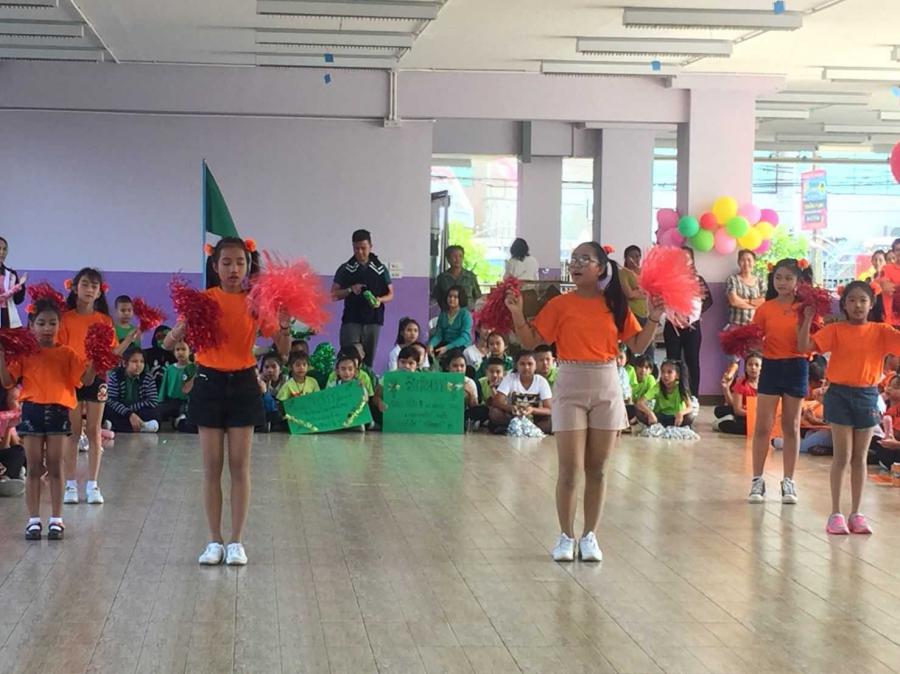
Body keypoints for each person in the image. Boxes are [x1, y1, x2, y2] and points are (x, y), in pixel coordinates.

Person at [506, 241, 663, 562]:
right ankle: (566, 536)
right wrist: (517, 314)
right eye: (573, 259)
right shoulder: (560, 305)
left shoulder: (615, 305)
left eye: (584, 259)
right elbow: (532, 340)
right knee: (569, 469)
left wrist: (654, 318)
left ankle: (590, 535)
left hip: (606, 385)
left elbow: (637, 346)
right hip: (570, 385)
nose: (576, 264)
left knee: (599, 470)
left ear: (601, 268)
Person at [164, 236, 290, 566]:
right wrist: (182, 327)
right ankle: (213, 541)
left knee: (239, 466)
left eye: (240, 262)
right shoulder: (204, 301)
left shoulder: (255, 302)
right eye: (227, 262)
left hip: (245, 384)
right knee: (211, 467)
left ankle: (236, 541)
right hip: (208, 383)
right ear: (215, 266)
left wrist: (285, 325)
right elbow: (167, 343)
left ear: (248, 266)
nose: (234, 268)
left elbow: (283, 350)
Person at [798, 281, 900, 535]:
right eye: (852, 300)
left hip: (867, 395)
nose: (857, 305)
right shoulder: (835, 330)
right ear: (844, 304)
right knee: (842, 456)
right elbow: (804, 347)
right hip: (839, 395)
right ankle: (836, 513)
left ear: (871, 304)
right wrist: (807, 319)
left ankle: (856, 513)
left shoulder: (881, 330)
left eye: (863, 300)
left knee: (859, 458)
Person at [0, 299, 96, 540]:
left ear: (59, 325)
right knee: (33, 467)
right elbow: (7, 381)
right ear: (31, 325)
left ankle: (56, 519)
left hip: (58, 413)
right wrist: (1, 356)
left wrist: (97, 359)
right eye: (41, 323)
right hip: (31, 412)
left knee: (55, 466)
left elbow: (86, 381)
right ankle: (33, 520)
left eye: (52, 323)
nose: (47, 328)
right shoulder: (25, 354)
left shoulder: (68, 354)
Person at [59, 267, 137, 506]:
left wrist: (128, 341)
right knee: (73, 433)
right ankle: (70, 485)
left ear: (99, 292)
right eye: (85, 284)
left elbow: (111, 354)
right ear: (75, 287)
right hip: (71, 379)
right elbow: (61, 351)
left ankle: (93, 484)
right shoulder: (66, 318)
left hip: (98, 377)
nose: (89, 289)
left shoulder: (104, 320)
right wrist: (79, 374)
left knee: (94, 431)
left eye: (94, 286)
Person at [747, 258, 813, 505]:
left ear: (798, 281)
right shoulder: (765, 308)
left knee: (791, 426)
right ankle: (757, 479)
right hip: (771, 366)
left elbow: (806, 343)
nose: (782, 282)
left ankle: (789, 481)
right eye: (778, 277)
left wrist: (808, 318)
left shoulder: (806, 308)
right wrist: (749, 342)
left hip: (797, 366)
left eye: (788, 278)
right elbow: (755, 339)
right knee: (763, 426)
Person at [330, 229, 394, 368]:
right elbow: (333, 295)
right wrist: (349, 289)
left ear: (371, 247)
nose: (360, 252)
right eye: (356, 248)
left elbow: (391, 294)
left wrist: (380, 300)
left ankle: (366, 381)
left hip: (373, 320)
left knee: (368, 361)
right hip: (351, 319)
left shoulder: (380, 269)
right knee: (349, 357)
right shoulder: (345, 269)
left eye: (363, 248)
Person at [663, 247, 712, 401]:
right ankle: (672, 398)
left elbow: (708, 301)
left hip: (692, 328)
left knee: (692, 363)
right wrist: (674, 316)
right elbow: (663, 301)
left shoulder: (698, 280)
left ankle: (693, 398)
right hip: (672, 327)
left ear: (692, 261)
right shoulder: (668, 279)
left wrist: (691, 317)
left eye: (687, 258)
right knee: (672, 362)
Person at [722, 249, 766, 381]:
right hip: (736, 328)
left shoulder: (760, 281)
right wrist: (753, 303)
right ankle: (730, 392)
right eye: (743, 260)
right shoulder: (733, 279)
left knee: (754, 363)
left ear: (754, 262)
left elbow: (764, 301)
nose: (746, 263)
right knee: (733, 363)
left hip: (755, 329)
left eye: (749, 260)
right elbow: (733, 300)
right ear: (738, 262)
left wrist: (744, 301)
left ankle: (752, 391)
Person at [489, 350, 553, 435]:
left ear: (535, 366)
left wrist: (532, 410)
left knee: (552, 420)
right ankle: (516, 427)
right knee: (494, 412)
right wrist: (511, 408)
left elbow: (549, 409)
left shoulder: (541, 381)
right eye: (522, 364)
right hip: (512, 417)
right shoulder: (510, 378)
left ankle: (513, 429)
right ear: (517, 365)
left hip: (534, 419)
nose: (526, 367)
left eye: (530, 364)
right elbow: (496, 402)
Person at [104, 346, 160, 433]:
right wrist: (129, 413)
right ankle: (142, 427)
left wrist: (132, 409)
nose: (139, 365)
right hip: (122, 411)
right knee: (107, 409)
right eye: (134, 361)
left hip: (138, 410)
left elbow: (153, 401)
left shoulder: (148, 378)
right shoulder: (115, 376)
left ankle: (116, 426)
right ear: (125, 363)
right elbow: (111, 401)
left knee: (154, 412)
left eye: (142, 362)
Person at [618, 245, 654, 364]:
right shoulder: (623, 272)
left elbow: (650, 291)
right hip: (632, 314)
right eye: (632, 256)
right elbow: (629, 294)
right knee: (633, 349)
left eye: (638, 256)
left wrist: (638, 292)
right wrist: (641, 292)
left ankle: (649, 372)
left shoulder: (644, 272)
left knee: (648, 347)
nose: (635, 259)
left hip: (646, 314)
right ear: (626, 258)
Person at [635, 360, 694, 428]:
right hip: (659, 418)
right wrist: (650, 413)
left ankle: (675, 425)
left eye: (669, 372)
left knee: (690, 416)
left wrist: (681, 413)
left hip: (676, 418)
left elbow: (690, 407)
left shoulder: (681, 387)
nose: (665, 375)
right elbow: (640, 403)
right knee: (638, 411)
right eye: (663, 372)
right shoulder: (658, 386)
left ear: (677, 375)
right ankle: (655, 424)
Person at [714, 352, 761, 435]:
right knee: (720, 413)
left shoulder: (766, 385)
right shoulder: (741, 384)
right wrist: (752, 414)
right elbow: (738, 410)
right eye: (750, 365)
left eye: (757, 365)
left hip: (761, 416)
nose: (753, 368)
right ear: (745, 368)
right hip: (744, 415)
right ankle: (728, 420)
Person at [432, 245, 481, 312]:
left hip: (467, 314)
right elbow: (437, 298)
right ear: (448, 259)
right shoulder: (442, 278)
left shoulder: (471, 277)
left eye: (460, 256)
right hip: (448, 314)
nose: (458, 259)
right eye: (454, 256)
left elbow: (477, 296)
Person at [157, 340, 196, 426]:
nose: (180, 352)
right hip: (171, 401)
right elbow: (164, 387)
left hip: (187, 402)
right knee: (158, 412)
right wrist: (161, 401)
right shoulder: (169, 369)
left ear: (190, 351)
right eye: (177, 349)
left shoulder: (193, 368)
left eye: (183, 349)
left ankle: (179, 421)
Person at [428, 286, 473, 358]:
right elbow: (438, 335)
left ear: (461, 299)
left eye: (455, 297)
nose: (452, 299)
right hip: (445, 344)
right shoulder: (443, 314)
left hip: (460, 345)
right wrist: (431, 345)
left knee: (451, 356)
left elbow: (465, 337)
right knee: (429, 353)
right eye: (450, 296)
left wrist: (447, 348)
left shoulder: (465, 315)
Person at [468, 356, 506, 428]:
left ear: (503, 373)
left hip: (501, 411)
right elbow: (476, 404)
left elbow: (501, 404)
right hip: (486, 410)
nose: (494, 375)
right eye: (491, 372)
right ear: (486, 372)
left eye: (498, 372)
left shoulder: (507, 384)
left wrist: (492, 388)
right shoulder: (480, 382)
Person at [0, 386, 25, 497]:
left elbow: (5, 447)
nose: (18, 405)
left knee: (18, 451)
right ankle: (7, 478)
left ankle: (7, 478)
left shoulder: (8, 416)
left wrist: (8, 427)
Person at [0, 236, 26, 329]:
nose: (2, 252)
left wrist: (22, 285)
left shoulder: (11, 274)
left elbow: (17, 300)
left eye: (5, 249)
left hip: (8, 319)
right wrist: (17, 286)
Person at [874, 238, 900, 327]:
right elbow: (886, 287)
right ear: (893, 252)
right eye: (898, 250)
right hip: (892, 323)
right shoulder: (887, 269)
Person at [144, 325, 176, 391]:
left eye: (167, 337)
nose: (163, 340)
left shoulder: (176, 356)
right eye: (160, 337)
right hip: (149, 391)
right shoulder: (146, 353)